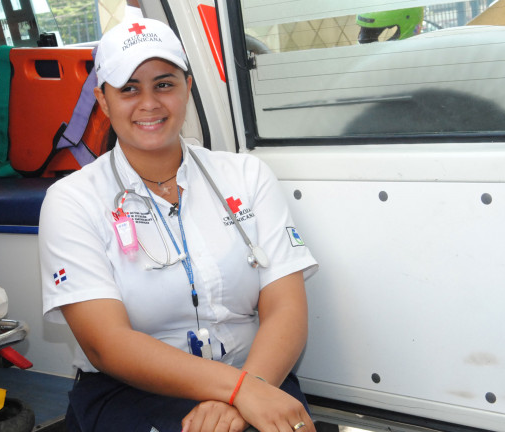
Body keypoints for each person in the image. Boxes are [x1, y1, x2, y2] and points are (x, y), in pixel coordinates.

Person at [39, 17, 318, 432]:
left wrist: (249, 390)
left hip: (258, 374)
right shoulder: (72, 200)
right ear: (103, 101)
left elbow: (286, 308)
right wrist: (239, 391)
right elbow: (106, 344)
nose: (149, 103)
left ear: (187, 88)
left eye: (164, 84)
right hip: (133, 389)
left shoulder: (246, 176)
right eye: (129, 88)